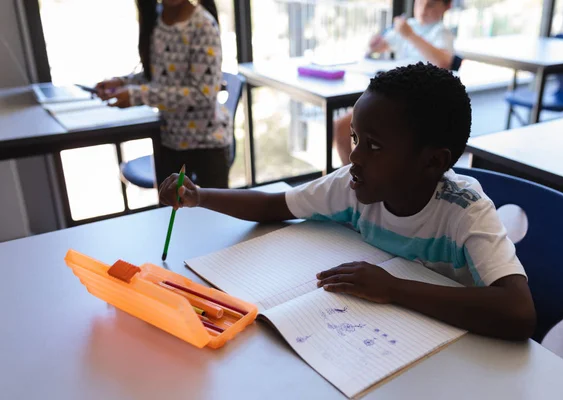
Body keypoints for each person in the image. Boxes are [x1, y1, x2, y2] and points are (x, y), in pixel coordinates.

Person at [158, 63, 536, 341]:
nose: (354, 158)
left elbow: (519, 312)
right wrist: (199, 196)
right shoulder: (354, 184)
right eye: (355, 139)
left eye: (373, 146)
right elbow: (274, 206)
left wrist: (394, 289)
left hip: (456, 348)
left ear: (432, 162)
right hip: (380, 333)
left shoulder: (465, 209)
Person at [95, 0, 232, 188]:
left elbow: (203, 93)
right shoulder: (157, 20)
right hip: (169, 141)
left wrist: (137, 95)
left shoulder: (203, 25)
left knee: (215, 214)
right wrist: (122, 82)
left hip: (206, 145)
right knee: (169, 213)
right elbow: (161, 76)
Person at [335, 0, 455, 166]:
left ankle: (360, 178)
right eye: (420, 3)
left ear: (446, 7)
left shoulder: (441, 32)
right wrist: (375, 45)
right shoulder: (409, 26)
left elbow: (443, 61)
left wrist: (410, 35)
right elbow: (379, 47)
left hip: (415, 106)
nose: (423, 9)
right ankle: (355, 178)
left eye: (431, 5)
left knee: (347, 127)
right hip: (394, 97)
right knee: (342, 127)